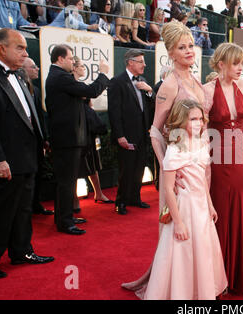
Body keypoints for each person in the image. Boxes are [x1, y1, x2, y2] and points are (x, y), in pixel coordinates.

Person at [122, 99, 227, 299]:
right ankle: (183, 293)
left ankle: (201, 291)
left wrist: (210, 204)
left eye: (200, 119)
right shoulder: (175, 150)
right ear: (180, 121)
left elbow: (202, 178)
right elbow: (169, 189)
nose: (198, 123)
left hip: (202, 206)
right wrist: (178, 223)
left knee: (203, 250)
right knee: (184, 252)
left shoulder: (201, 142)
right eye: (193, 119)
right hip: (185, 208)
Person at [204, 42, 243, 294]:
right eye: (236, 64)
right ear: (221, 65)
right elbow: (202, 128)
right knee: (220, 209)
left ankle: (238, 271)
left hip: (241, 154)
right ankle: (217, 275)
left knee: (240, 206)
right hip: (217, 156)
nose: (242, 69)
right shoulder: (206, 90)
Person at [0, 28, 54, 279]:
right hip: (7, 160)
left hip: (28, 157)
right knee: (3, 211)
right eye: (19, 47)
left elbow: (29, 114)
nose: (25, 52)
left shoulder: (19, 76)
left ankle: (22, 251)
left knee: (23, 210)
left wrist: (42, 140)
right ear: (1, 48)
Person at [45, 44, 110, 235]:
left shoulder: (59, 77)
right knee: (66, 182)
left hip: (68, 138)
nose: (73, 62)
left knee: (68, 181)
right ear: (60, 59)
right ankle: (65, 222)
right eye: (71, 58)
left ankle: (65, 217)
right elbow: (92, 91)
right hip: (66, 140)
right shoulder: (60, 77)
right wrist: (103, 74)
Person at [150, 21, 206, 219]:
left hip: (200, 158)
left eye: (190, 46)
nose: (189, 51)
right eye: (182, 48)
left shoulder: (196, 80)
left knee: (200, 219)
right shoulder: (170, 85)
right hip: (181, 165)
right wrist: (167, 170)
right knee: (182, 222)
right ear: (171, 53)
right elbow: (155, 132)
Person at [108, 49, 155, 215]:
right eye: (141, 61)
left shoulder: (143, 80)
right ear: (131, 62)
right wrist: (120, 135)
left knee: (139, 168)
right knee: (126, 169)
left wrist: (149, 91)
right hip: (127, 135)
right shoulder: (117, 82)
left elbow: (149, 107)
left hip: (142, 133)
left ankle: (135, 198)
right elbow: (114, 112)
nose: (144, 64)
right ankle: (120, 202)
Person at [71, 56, 113, 207]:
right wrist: (102, 73)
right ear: (74, 68)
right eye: (81, 66)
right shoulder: (71, 84)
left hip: (89, 131)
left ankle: (99, 192)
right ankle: (75, 200)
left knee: (93, 162)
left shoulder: (80, 85)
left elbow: (89, 101)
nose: (84, 68)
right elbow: (91, 93)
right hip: (77, 132)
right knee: (77, 166)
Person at [20, 58, 53, 216]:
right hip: (22, 143)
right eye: (33, 67)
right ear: (23, 68)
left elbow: (40, 117)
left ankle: (36, 205)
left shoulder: (37, 90)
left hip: (37, 141)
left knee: (38, 172)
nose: (37, 69)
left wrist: (45, 138)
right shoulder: (14, 88)